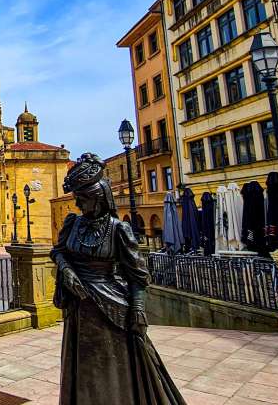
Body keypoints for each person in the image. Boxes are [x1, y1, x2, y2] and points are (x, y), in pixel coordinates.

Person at [52, 153, 184, 404]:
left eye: (83, 199)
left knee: (112, 370)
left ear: (98, 197)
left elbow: (138, 275)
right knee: (82, 368)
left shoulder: (118, 229)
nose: (78, 204)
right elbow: (58, 251)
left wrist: (137, 310)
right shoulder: (73, 224)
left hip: (111, 308)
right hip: (79, 310)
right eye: (77, 198)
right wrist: (67, 270)